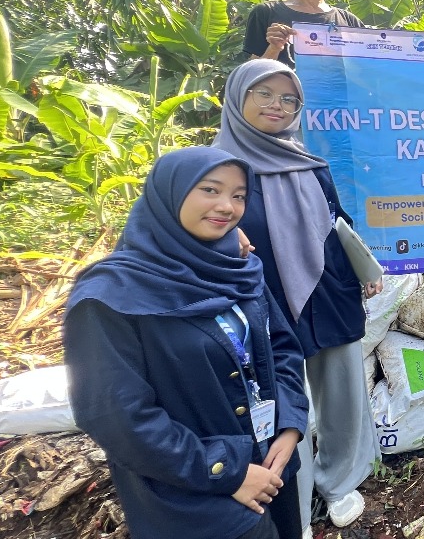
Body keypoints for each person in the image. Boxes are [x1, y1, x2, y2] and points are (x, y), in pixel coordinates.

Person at [64, 147, 308, 539]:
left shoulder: (238, 268)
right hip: (193, 499)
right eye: (210, 190)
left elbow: (281, 348)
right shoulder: (111, 295)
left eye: (239, 195)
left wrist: (290, 425)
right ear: (170, 194)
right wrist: (226, 472)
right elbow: (116, 416)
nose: (227, 206)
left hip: (271, 466)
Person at [213, 59, 381, 529]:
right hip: (261, 300)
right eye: (264, 94)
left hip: (329, 291)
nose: (277, 106)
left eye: (289, 99)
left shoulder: (309, 160)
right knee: (283, 402)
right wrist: (226, 237)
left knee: (344, 393)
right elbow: (185, 226)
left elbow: (337, 221)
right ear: (238, 98)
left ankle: (340, 481)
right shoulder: (217, 167)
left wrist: (361, 268)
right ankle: (295, 499)